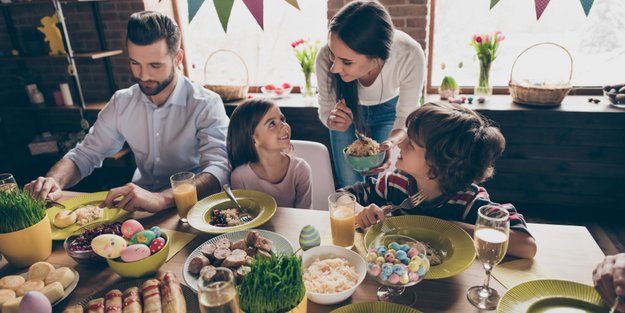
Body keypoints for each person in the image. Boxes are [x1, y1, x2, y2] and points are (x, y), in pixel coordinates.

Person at [24, 11, 229, 212]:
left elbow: (219, 169)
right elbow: (85, 154)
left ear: (178, 58)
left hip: (194, 207)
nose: (143, 75)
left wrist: (162, 198)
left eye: (155, 65)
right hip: (138, 206)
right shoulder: (122, 102)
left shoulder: (206, 104)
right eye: (135, 63)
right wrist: (54, 180)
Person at [345, 102, 537, 259]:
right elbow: (342, 196)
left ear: (435, 166)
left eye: (410, 144)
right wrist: (362, 211)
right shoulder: (394, 183)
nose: (400, 143)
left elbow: (527, 246)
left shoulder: (469, 201)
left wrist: (449, 227)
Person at [316, 0, 426, 187]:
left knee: (381, 183)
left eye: (346, 62)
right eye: (333, 56)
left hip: (390, 110)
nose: (334, 68)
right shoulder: (324, 57)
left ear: (376, 58)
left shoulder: (409, 54)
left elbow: (407, 115)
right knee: (349, 184)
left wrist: (391, 143)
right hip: (348, 112)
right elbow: (326, 109)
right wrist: (333, 120)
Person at [228, 99, 312, 209]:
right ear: (254, 139)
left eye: (282, 119)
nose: (284, 126)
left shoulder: (300, 170)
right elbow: (243, 218)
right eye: (272, 123)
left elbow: (305, 216)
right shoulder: (239, 178)